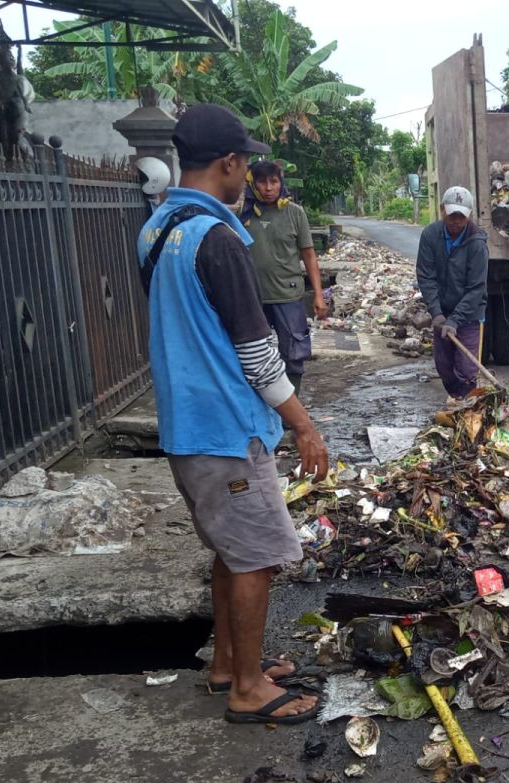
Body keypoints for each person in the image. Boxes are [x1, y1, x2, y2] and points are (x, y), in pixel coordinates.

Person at [136, 103, 327, 725]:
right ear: (228, 162)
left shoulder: (157, 229)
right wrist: (303, 424)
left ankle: (227, 664)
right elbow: (257, 353)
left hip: (184, 425)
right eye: (245, 163)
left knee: (230, 549)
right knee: (257, 556)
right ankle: (248, 688)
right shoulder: (217, 239)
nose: (248, 174)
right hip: (225, 429)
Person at [240, 159, 329, 402]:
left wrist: (319, 295)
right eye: (262, 182)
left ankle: (291, 406)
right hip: (252, 297)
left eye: (274, 181)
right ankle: (259, 405)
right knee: (251, 354)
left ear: (281, 183)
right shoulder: (243, 214)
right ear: (253, 184)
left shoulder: (294, 213)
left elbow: (309, 255)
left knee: (294, 353)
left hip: (288, 295)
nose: (269, 188)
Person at [416, 186, 490, 402]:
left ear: (469, 215)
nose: (456, 221)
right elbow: (426, 276)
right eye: (452, 215)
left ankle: (467, 407)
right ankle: (458, 400)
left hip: (470, 314)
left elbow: (476, 288)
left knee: (466, 371)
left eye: (461, 216)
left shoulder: (477, 243)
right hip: (442, 311)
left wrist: (456, 320)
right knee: (444, 367)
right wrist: (437, 313)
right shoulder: (430, 235)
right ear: (442, 210)